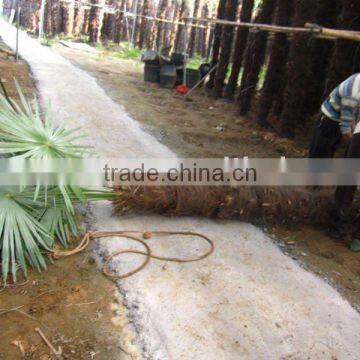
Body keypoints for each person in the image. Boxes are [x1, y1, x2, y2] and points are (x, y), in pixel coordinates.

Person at [309, 73, 360, 251]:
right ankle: (312, 193)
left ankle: (340, 225)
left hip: (346, 125)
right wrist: (350, 138)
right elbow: (346, 122)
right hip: (329, 120)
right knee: (320, 156)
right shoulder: (353, 88)